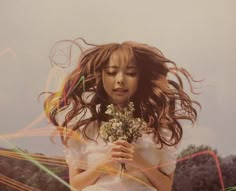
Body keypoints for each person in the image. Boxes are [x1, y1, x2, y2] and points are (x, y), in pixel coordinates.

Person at [43, 39, 200, 191]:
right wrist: (107, 162)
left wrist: (138, 161)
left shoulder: (159, 131)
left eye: (131, 73)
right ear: (101, 76)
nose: (120, 80)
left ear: (140, 78)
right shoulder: (86, 129)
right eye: (111, 72)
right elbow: (76, 186)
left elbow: (165, 187)